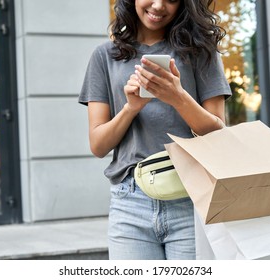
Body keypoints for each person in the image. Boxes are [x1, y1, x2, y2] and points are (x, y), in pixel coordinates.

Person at [79, 0, 231, 260]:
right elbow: (98, 145)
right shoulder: (105, 56)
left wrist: (177, 97)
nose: (159, 5)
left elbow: (218, 133)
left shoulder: (201, 52)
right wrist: (131, 108)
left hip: (190, 197)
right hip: (130, 201)